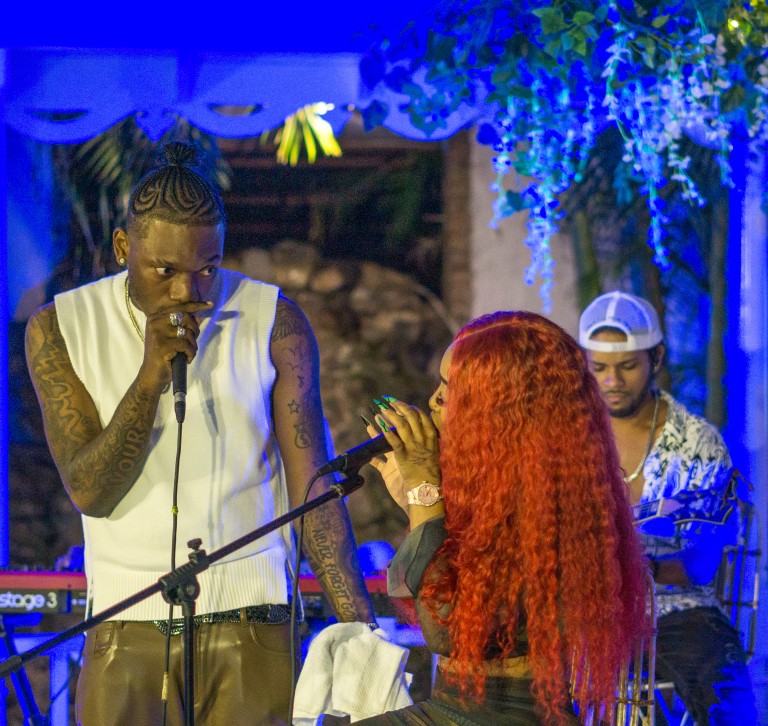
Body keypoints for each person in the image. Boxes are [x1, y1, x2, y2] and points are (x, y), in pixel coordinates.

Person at [24, 141, 376, 725]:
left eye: (206, 269)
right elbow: (91, 492)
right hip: (125, 623)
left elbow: (313, 486)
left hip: (254, 621)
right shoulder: (60, 328)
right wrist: (150, 378)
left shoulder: (275, 321)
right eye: (165, 270)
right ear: (123, 248)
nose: (189, 291)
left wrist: (359, 628)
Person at [356, 311, 648, 726]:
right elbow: (420, 596)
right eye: (440, 385)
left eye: (453, 390)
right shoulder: (486, 491)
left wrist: (424, 487)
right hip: (456, 706)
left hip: (508, 713)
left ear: (500, 409)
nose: (434, 400)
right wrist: (416, 503)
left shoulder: (546, 509)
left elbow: (445, 633)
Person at [579, 290, 758, 726]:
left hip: (676, 610)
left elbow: (702, 563)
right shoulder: (566, 438)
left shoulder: (696, 441)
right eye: (599, 368)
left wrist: (642, 569)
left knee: (731, 702)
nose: (612, 381)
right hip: (581, 613)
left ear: (656, 358)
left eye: (627, 366)